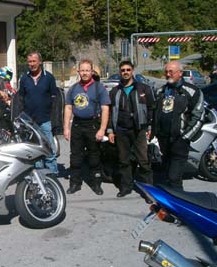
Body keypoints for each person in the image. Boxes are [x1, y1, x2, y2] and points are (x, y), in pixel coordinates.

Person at [153, 60, 204, 190]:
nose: (168, 74)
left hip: (179, 140)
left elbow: (199, 117)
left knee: (174, 177)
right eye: (166, 72)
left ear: (180, 73)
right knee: (166, 173)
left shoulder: (192, 91)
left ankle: (179, 204)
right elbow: (155, 113)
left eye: (171, 71)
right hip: (164, 139)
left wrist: (185, 137)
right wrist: (154, 131)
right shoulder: (161, 91)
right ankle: (168, 203)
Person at [107, 61, 154, 198]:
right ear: (120, 72)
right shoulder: (115, 91)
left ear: (132, 71)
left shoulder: (143, 89)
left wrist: (150, 127)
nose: (125, 72)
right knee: (123, 161)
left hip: (139, 129)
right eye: (123, 70)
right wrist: (110, 130)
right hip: (121, 130)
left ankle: (149, 192)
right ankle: (126, 187)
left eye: (128, 69)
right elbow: (109, 112)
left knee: (143, 160)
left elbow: (151, 109)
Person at [63, 59, 110, 195]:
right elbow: (68, 108)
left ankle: (96, 183)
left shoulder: (98, 88)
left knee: (94, 156)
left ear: (92, 71)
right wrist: (66, 127)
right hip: (77, 124)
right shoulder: (73, 88)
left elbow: (105, 109)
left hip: (92, 124)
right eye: (82, 70)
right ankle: (75, 183)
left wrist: (102, 129)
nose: (84, 73)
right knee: (75, 156)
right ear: (78, 72)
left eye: (87, 70)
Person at [18, 51, 59, 174]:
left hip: (45, 121)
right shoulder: (24, 78)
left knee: (49, 151)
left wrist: (55, 119)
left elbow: (55, 98)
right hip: (30, 123)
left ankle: (52, 177)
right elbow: (21, 99)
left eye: (34, 61)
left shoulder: (49, 78)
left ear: (40, 61)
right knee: (35, 152)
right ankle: (40, 178)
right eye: (29, 61)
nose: (32, 64)